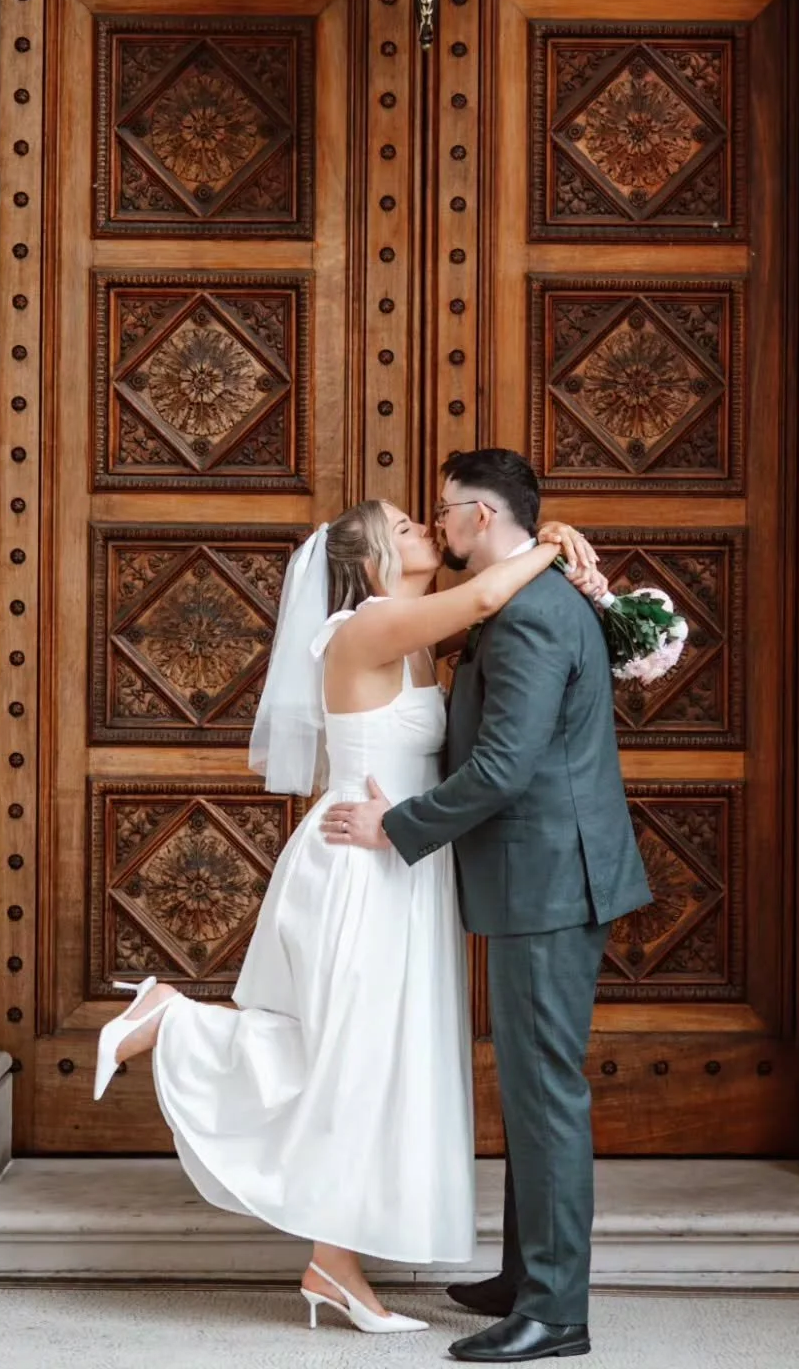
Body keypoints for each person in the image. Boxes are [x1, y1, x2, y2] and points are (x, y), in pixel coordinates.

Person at [91, 495, 604, 1336]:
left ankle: (334, 1265)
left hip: (402, 864)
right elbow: (482, 597)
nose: (427, 532)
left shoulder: (413, 633)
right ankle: (172, 1019)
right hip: (357, 866)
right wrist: (552, 542)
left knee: (370, 1063)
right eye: (406, 528)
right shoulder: (365, 629)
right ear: (370, 563)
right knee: (343, 1055)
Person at [325, 449, 652, 1365]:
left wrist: (400, 826)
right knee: (531, 1088)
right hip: (535, 874)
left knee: (547, 1093)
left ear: (476, 517)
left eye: (442, 512)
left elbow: (504, 768)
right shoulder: (523, 600)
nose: (435, 525)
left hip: (549, 878)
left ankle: (557, 1310)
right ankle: (523, 1277)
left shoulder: (531, 618)